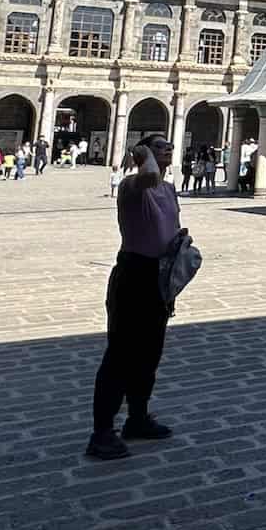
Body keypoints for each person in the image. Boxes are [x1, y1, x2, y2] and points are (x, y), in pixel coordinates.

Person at [86, 136, 181, 460]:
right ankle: (101, 432)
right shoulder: (131, 186)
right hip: (133, 274)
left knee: (150, 353)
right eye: (158, 146)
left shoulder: (169, 190)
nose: (167, 148)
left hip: (159, 276)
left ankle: (137, 418)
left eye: (169, 145)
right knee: (120, 356)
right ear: (143, 154)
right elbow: (150, 176)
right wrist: (142, 156)